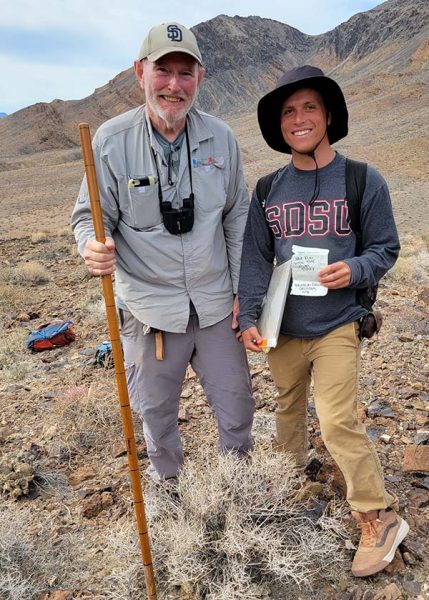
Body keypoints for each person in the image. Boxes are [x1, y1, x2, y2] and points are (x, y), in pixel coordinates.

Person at [237, 65, 408, 577]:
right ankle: (291, 484)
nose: (299, 118)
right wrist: (248, 316)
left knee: (336, 420)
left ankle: (377, 516)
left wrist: (353, 269)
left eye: (309, 107)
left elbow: (386, 248)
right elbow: (253, 259)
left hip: (337, 322)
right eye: (289, 111)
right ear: (280, 126)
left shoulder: (361, 180)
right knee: (287, 410)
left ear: (328, 115)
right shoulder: (268, 189)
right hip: (284, 325)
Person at [71, 22, 254, 483]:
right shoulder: (110, 142)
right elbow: (87, 219)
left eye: (185, 73)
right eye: (163, 70)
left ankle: (238, 490)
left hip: (215, 305)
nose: (174, 85)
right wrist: (91, 247)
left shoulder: (221, 138)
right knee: (156, 416)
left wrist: (242, 292)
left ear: (200, 78)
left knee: (236, 407)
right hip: (149, 310)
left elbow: (236, 216)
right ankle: (169, 490)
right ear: (140, 71)